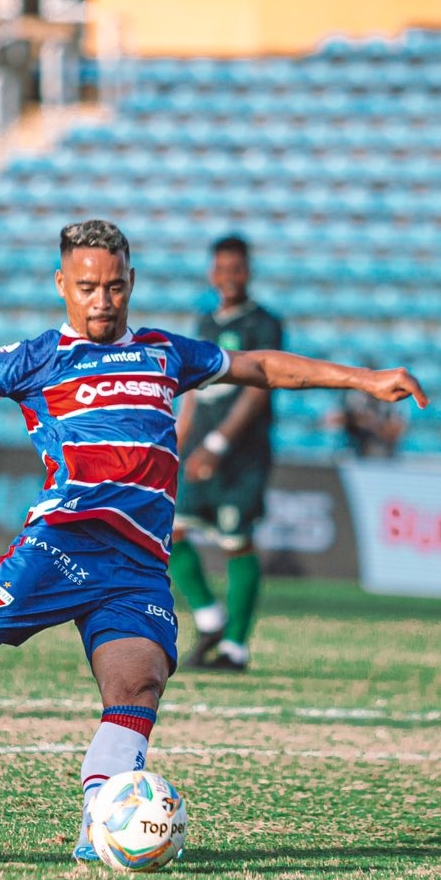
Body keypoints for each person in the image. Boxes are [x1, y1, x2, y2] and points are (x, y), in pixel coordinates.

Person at [0, 220, 425, 861]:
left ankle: (98, 825)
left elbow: (262, 367)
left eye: (113, 287)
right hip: (64, 543)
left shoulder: (166, 353)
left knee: (136, 688)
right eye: (86, 287)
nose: (101, 300)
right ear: (62, 286)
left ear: (130, 283)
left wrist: (363, 379)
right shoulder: (37, 357)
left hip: (138, 566)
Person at [166, 235, 283, 672]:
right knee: (170, 531)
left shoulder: (264, 324)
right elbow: (196, 389)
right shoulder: (206, 322)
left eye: (236, 268)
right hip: (199, 449)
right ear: (212, 272)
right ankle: (210, 618)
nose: (228, 277)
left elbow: (259, 391)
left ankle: (235, 646)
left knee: (238, 542)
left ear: (248, 271)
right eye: (221, 268)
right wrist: (178, 439)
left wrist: (218, 444)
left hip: (242, 456)